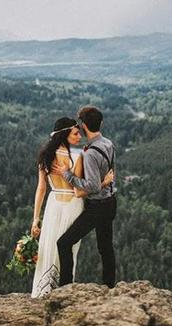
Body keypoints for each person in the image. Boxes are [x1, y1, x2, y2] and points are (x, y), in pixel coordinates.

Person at [30, 117, 113, 298]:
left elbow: (41, 189)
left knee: (50, 246)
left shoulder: (46, 157)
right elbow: (79, 191)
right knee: (68, 248)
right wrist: (104, 182)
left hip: (53, 204)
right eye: (75, 133)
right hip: (72, 205)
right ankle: (63, 288)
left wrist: (36, 218)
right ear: (65, 134)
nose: (79, 136)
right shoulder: (77, 157)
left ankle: (43, 289)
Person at [53, 106, 117, 289]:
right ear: (101, 123)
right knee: (105, 247)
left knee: (64, 243)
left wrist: (67, 175)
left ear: (83, 126)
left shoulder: (90, 153)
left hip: (97, 206)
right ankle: (109, 286)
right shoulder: (108, 144)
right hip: (111, 202)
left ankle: (65, 288)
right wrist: (105, 183)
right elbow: (110, 175)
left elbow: (92, 186)